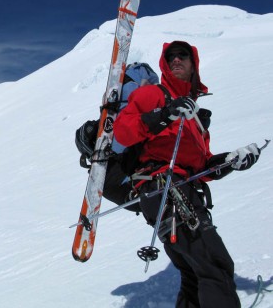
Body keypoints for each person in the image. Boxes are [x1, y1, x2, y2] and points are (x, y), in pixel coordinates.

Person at [111, 41, 261, 307]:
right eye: (170, 57)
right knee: (214, 263)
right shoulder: (153, 95)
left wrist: (231, 161)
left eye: (183, 55)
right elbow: (122, 132)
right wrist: (165, 114)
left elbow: (200, 168)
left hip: (183, 190)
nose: (176, 60)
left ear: (194, 64)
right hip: (162, 188)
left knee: (195, 272)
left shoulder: (194, 119)